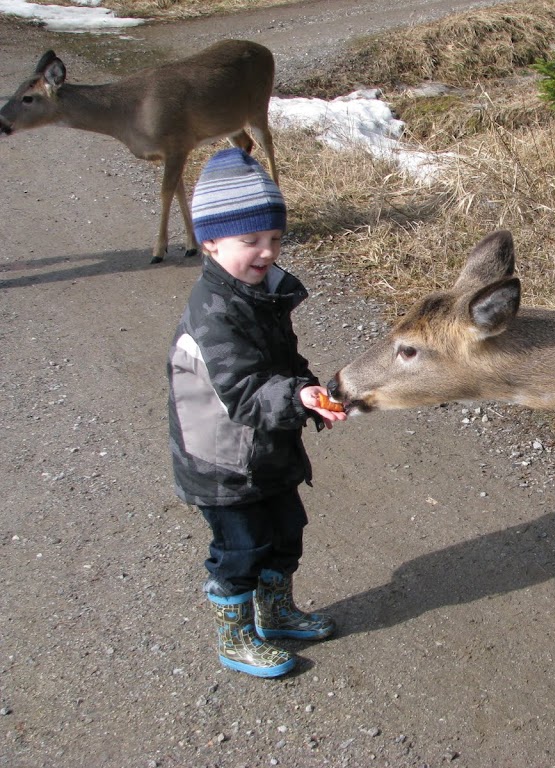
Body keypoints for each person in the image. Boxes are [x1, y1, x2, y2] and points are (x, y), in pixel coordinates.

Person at [167, 147, 346, 678]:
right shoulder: (213, 313)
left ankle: (276, 611)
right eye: (251, 241)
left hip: (264, 449)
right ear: (211, 242)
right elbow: (244, 391)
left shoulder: (259, 292)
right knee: (241, 547)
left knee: (286, 529)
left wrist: (308, 389)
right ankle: (236, 635)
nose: (267, 252)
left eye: (274, 238)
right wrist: (293, 397)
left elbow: (282, 363)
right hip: (222, 462)